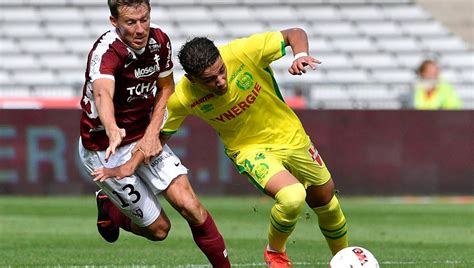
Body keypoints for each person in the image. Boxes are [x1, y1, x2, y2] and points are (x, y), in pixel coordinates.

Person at [94, 28, 349, 267]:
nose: (221, 81)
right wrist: (129, 166)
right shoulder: (183, 97)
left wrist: (300, 56)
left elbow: (295, 33)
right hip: (248, 150)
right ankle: (275, 252)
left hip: (292, 138)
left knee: (327, 203)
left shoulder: (243, 52)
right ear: (192, 79)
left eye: (221, 71)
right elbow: (157, 139)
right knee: (292, 197)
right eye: (210, 79)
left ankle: (343, 259)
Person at [77, 1, 230, 267]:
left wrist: (150, 133)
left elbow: (166, 87)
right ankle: (111, 209)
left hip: (142, 135)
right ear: (114, 22)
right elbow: (103, 93)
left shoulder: (159, 41)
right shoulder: (106, 53)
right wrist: (112, 128)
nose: (140, 29)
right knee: (159, 230)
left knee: (191, 207)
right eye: (131, 22)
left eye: (144, 19)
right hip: (104, 148)